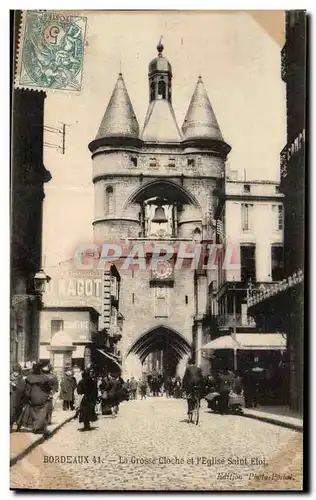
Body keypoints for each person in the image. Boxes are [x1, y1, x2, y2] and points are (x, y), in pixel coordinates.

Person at [19, 362, 53, 434]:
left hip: (33, 398)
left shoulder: (29, 378)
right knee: (41, 414)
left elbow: (27, 390)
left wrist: (27, 398)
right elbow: (48, 389)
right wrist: (48, 395)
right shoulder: (45, 377)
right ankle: (38, 428)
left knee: (33, 413)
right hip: (43, 399)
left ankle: (35, 427)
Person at [10, 364, 26, 432]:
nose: (15, 373)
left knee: (18, 413)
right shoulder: (10, 378)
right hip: (11, 398)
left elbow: (23, 389)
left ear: (19, 372)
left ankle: (18, 426)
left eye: (17, 372)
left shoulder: (22, 380)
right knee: (11, 412)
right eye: (14, 371)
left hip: (19, 398)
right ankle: (10, 427)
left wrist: (15, 386)